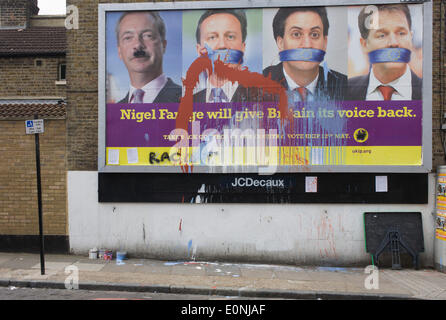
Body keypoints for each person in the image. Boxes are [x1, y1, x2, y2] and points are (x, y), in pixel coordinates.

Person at [263, 7, 347, 103]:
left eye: (314, 35)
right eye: (296, 34)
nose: (307, 45)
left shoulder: (344, 86)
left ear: (325, 42)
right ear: (280, 43)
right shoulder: (253, 87)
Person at [347, 4, 422, 101]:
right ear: (364, 45)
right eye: (382, 35)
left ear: (410, 38)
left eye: (401, 33)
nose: (393, 43)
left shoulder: (430, 91)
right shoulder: (344, 93)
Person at [193, 9, 260, 103]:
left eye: (230, 37)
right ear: (200, 51)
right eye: (212, 37)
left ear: (242, 48)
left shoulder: (262, 99)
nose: (222, 45)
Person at [116, 11, 182, 104]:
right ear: (119, 51)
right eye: (128, 38)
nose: (138, 45)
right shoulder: (113, 112)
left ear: (163, 45)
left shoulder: (190, 101)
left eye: (147, 36)